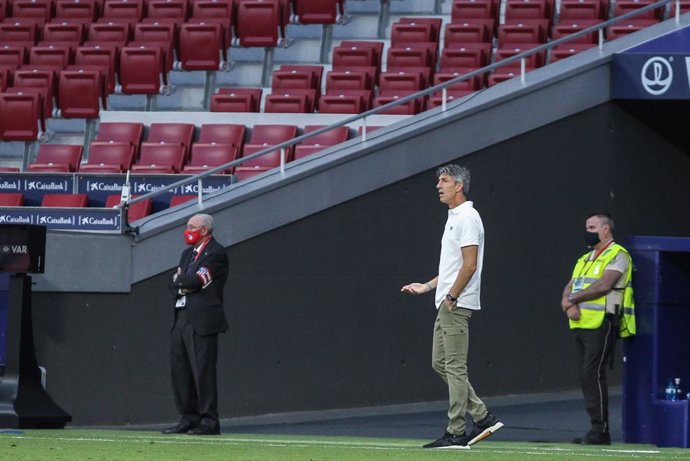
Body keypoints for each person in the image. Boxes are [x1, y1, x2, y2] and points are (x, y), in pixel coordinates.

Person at [401, 164, 503, 449]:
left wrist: (452, 297)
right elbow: (453, 267)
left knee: (455, 368)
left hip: (455, 303)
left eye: (444, 180)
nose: (439, 185)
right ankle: (482, 416)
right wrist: (429, 286)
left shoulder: (468, 217)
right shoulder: (456, 217)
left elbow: (469, 265)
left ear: (459, 185)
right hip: (448, 301)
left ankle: (456, 431)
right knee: (440, 363)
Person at [560, 213, 635, 446]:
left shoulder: (618, 255)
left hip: (603, 322)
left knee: (593, 373)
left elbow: (605, 284)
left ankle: (600, 430)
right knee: (586, 375)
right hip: (581, 322)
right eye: (586, 227)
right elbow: (571, 284)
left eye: (592, 227)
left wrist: (571, 298)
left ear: (606, 230)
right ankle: (596, 428)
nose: (588, 231)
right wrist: (567, 302)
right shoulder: (585, 258)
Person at [162, 213, 229, 436]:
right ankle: (188, 417)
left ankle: (209, 421)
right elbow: (175, 284)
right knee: (180, 369)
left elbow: (194, 281)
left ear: (204, 230)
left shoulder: (216, 253)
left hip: (203, 319)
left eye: (192, 226)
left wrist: (182, 280)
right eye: (187, 225)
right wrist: (182, 282)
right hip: (181, 315)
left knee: (203, 371)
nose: (187, 229)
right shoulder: (186, 254)